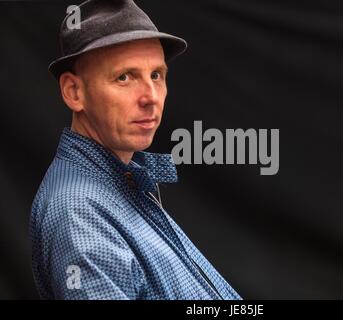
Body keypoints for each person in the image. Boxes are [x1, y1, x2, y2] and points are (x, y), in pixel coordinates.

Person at [30, 0, 241, 300]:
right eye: (124, 77)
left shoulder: (123, 179)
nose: (151, 97)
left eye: (156, 75)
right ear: (74, 92)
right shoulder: (79, 213)